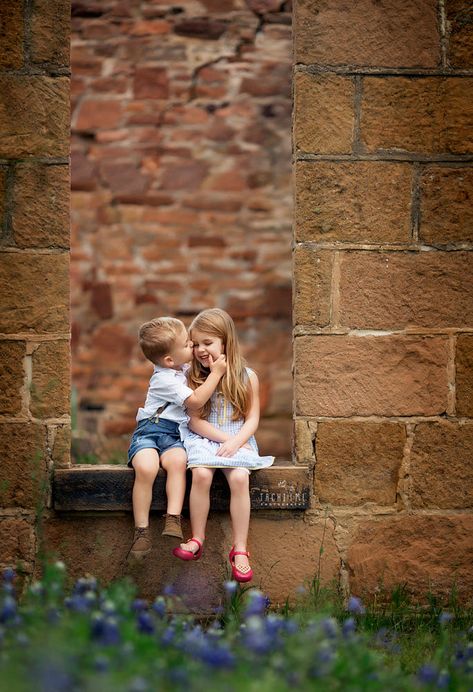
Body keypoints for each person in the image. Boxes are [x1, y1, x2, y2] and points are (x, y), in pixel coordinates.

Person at [173, 308, 274, 582]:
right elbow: (193, 421)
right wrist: (224, 440)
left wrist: (237, 442)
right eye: (196, 345)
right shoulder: (192, 377)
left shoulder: (247, 377)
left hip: (237, 438)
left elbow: (252, 419)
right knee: (202, 474)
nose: (201, 350)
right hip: (205, 438)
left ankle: (240, 549)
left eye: (208, 343)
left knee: (240, 478)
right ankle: (197, 539)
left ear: (226, 342)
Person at [127, 316, 226, 562]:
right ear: (169, 359)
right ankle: (141, 531)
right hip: (150, 432)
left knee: (178, 462)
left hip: (173, 436)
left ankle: (172, 519)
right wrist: (217, 373)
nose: (192, 345)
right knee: (147, 468)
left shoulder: (180, 369)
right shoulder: (163, 378)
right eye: (186, 344)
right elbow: (194, 401)